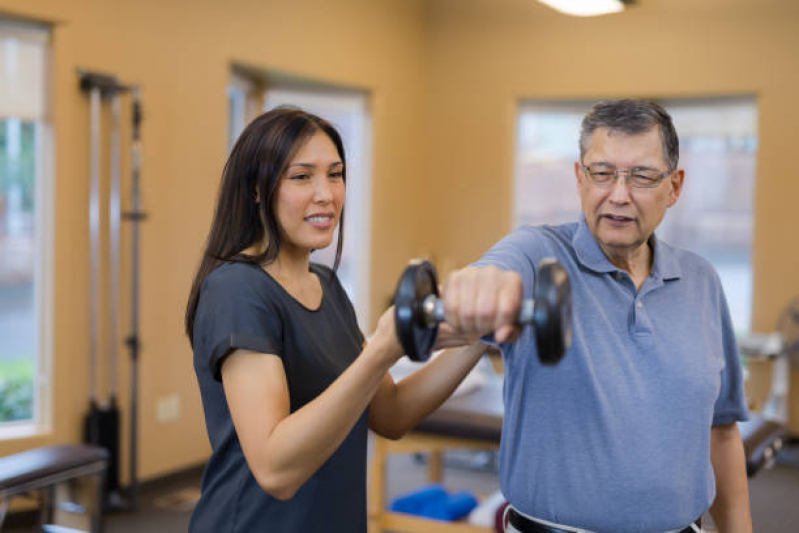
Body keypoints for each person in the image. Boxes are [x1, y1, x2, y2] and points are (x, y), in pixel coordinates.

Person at [440, 99, 752, 533]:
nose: (618, 195)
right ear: (579, 177)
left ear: (674, 187)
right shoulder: (538, 254)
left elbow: (721, 431)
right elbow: (492, 272)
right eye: (601, 173)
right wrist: (476, 287)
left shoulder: (702, 280)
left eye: (642, 176)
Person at [184, 107, 483, 532]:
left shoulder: (326, 284)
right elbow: (275, 469)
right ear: (256, 189)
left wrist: (479, 338)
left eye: (335, 174)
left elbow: (390, 413)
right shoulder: (236, 290)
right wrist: (380, 350)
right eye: (302, 177)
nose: (326, 194)